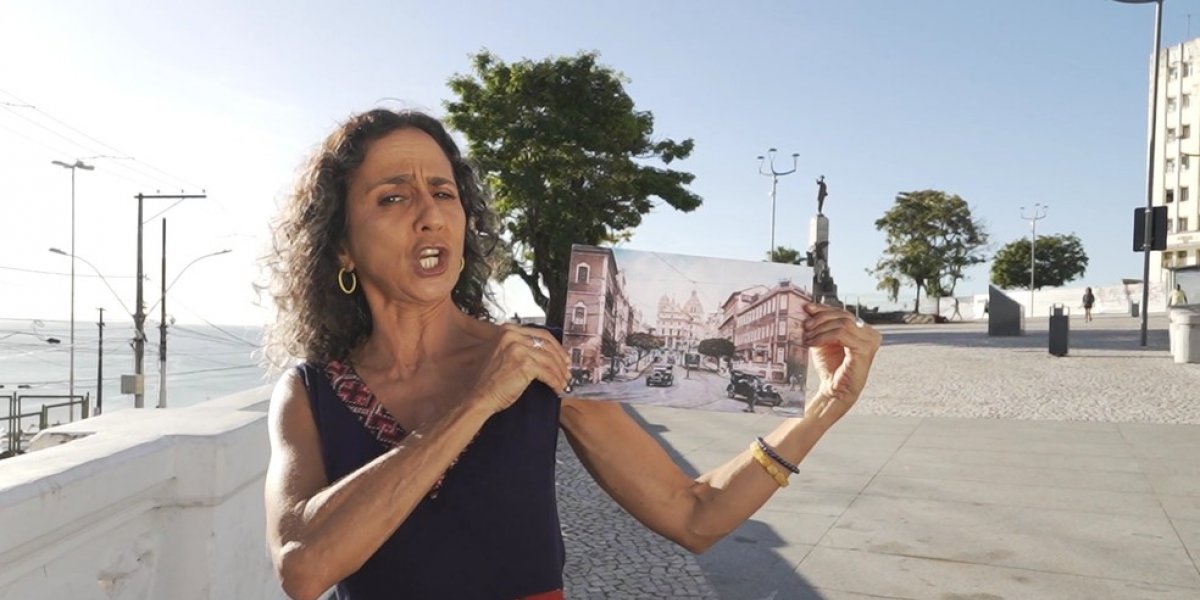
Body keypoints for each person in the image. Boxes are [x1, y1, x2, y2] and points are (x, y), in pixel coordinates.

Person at [260, 108, 882, 600]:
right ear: (341, 245)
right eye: (393, 197)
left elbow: (696, 517)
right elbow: (303, 568)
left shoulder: (544, 364)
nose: (430, 215)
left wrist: (820, 411)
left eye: (444, 194)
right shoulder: (312, 390)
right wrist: (476, 402)